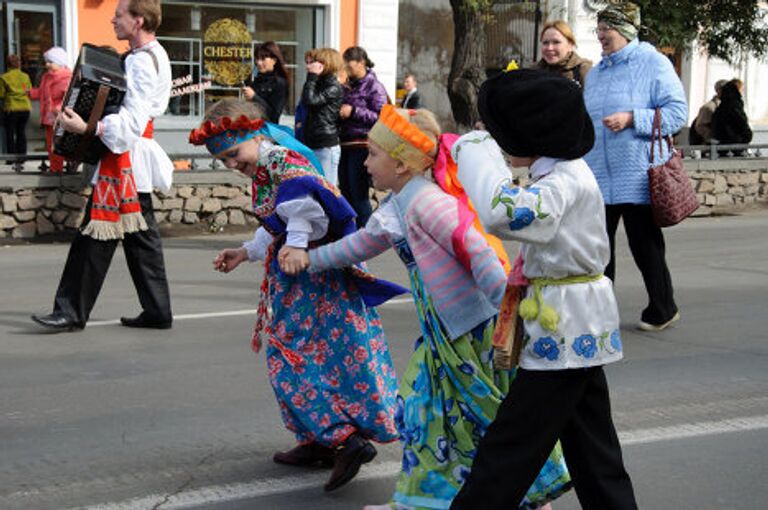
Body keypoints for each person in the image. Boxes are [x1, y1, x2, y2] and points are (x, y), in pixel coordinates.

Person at [280, 104, 571, 510]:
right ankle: (427, 500)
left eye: (373, 154)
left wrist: (509, 317)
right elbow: (362, 244)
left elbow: (480, 254)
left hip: (471, 331)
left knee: (470, 414)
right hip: (445, 331)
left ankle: (525, 494)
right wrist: (311, 259)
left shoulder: (427, 203)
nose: (365, 163)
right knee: (439, 417)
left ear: (400, 164)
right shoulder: (400, 203)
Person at [191, 98, 405, 492]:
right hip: (312, 273)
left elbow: (308, 210)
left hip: (309, 275)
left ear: (256, 134)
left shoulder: (283, 164)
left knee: (291, 355)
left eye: (234, 154)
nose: (233, 165)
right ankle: (320, 439)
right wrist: (245, 252)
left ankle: (341, 438)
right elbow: (281, 218)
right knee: (333, 350)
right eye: (224, 160)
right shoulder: (272, 163)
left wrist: (297, 245)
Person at [448, 68, 638, 510]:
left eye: (497, 132)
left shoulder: (563, 180)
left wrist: (475, 151)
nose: (491, 138)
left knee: (511, 446)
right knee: (592, 448)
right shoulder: (560, 173)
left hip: (567, 324)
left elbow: (504, 214)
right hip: (571, 320)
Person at [31, 0, 174, 331]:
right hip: (132, 158)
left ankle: (71, 311)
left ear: (138, 20)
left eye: (119, 14)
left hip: (124, 159)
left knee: (93, 236)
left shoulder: (140, 62)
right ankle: (157, 309)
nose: (113, 19)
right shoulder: (155, 54)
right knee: (141, 238)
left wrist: (89, 128)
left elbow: (132, 121)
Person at [582, 2, 687, 332]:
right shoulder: (597, 72)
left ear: (626, 30)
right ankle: (602, 313)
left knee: (645, 245)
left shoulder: (653, 63)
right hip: (598, 173)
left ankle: (663, 307)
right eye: (598, 29)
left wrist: (632, 118)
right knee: (600, 249)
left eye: (606, 29)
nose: (600, 35)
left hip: (639, 173)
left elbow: (677, 114)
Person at [338, 46, 388, 228]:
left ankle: (369, 235)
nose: (347, 69)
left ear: (362, 62)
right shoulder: (346, 87)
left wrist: (354, 111)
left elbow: (382, 117)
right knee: (346, 193)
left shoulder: (375, 86)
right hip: (345, 144)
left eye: (349, 65)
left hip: (362, 146)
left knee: (359, 195)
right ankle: (353, 236)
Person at [301, 47, 344, 186]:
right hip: (313, 143)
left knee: (327, 189)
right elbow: (305, 101)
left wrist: (312, 77)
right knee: (315, 189)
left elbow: (311, 101)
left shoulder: (333, 87)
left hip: (326, 145)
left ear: (327, 64)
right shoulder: (318, 84)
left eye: (317, 61)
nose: (311, 65)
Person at [28, 47, 73, 173]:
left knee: (61, 144)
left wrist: (58, 109)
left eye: (50, 62)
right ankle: (56, 168)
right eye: (46, 62)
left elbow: (69, 97)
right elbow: (42, 92)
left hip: (61, 118)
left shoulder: (66, 78)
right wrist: (30, 93)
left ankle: (68, 166)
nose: (47, 65)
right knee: (51, 145)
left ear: (59, 63)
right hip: (49, 118)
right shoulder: (46, 77)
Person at [534, 20, 592, 88]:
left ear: (570, 45)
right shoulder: (533, 71)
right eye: (545, 43)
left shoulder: (585, 71)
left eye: (556, 42)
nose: (549, 48)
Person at [242, 41, 289, 124]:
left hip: (267, 130)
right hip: (252, 128)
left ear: (274, 60)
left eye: (263, 59)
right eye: (257, 59)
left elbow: (273, 115)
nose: (259, 63)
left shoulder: (280, 83)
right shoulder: (256, 80)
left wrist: (254, 97)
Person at [0, 54, 32, 157]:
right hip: (24, 107)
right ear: (19, 64)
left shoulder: (4, 78)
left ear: (7, 65)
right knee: (21, 132)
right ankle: (22, 156)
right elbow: (28, 90)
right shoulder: (25, 76)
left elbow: (1, 94)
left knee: (10, 133)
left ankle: (11, 157)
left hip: (11, 108)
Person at [712, 79, 752, 155]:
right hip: (735, 145)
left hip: (722, 146)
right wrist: (747, 136)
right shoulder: (734, 106)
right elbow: (741, 122)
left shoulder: (721, 107)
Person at [689, 79, 728, 146]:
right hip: (709, 147)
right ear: (719, 90)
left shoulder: (727, 106)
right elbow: (700, 126)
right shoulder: (709, 107)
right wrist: (713, 137)